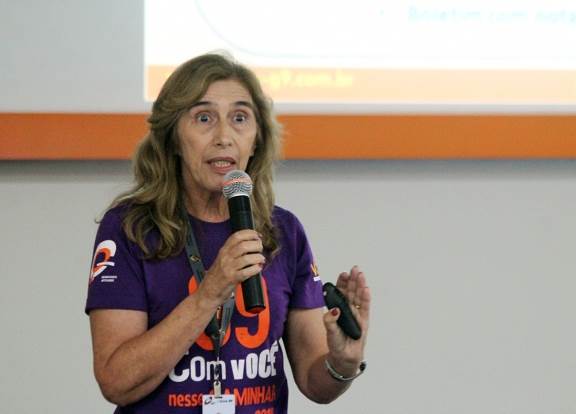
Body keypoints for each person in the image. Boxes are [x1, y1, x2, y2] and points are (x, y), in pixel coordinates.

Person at [85, 52, 371, 414]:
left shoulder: (284, 232)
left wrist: (343, 363)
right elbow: (116, 381)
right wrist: (209, 293)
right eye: (204, 118)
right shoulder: (130, 229)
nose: (224, 137)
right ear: (173, 138)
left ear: (256, 140)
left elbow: (317, 385)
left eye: (240, 118)